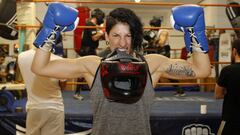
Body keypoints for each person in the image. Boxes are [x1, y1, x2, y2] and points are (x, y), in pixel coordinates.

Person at [32, 3, 210, 135]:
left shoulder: (151, 64)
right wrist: (51, 31)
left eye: (128, 36)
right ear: (106, 37)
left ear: (135, 38)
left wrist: (195, 34)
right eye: (116, 35)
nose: (122, 43)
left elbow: (201, 71)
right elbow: (40, 67)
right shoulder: (93, 66)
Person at [74, 8, 106, 100]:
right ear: (98, 17)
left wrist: (102, 34)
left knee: (94, 70)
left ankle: (93, 92)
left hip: (90, 50)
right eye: (101, 18)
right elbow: (94, 38)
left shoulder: (92, 25)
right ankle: (78, 92)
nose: (102, 20)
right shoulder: (90, 24)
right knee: (86, 71)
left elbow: (96, 37)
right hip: (88, 51)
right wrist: (102, 31)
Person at [215, 39, 240, 135]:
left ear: (234, 51)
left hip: (230, 118)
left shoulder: (227, 71)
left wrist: (228, 91)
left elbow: (218, 94)